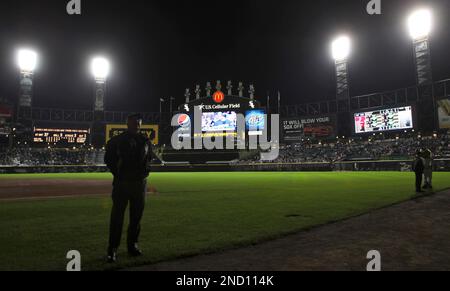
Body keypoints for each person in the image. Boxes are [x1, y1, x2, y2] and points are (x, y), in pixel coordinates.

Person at [104, 114, 153, 263]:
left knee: (136, 218)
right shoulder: (117, 141)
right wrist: (119, 174)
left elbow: (148, 159)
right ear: (127, 124)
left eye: (138, 123)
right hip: (122, 184)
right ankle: (112, 249)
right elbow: (109, 160)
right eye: (133, 123)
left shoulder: (145, 141)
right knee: (117, 218)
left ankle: (132, 245)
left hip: (139, 184)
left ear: (140, 124)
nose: (136, 126)